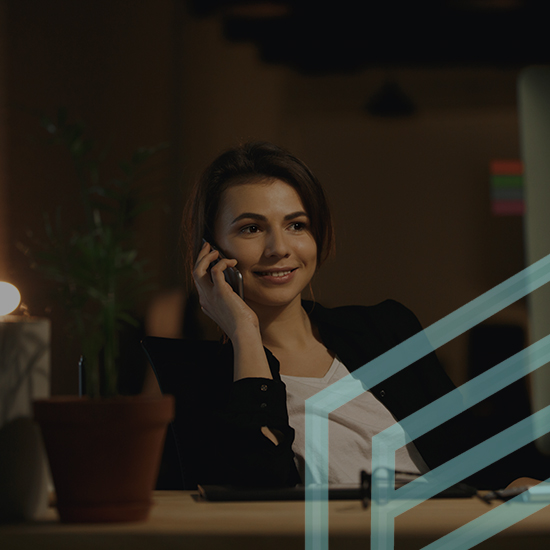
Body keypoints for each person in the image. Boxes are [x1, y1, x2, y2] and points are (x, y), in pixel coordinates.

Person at [172, 141, 539, 490]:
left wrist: (513, 484)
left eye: (296, 225)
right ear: (211, 249)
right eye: (251, 228)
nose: (279, 248)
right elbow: (257, 495)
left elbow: (471, 452)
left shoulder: (385, 328)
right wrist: (244, 332)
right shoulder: (208, 382)